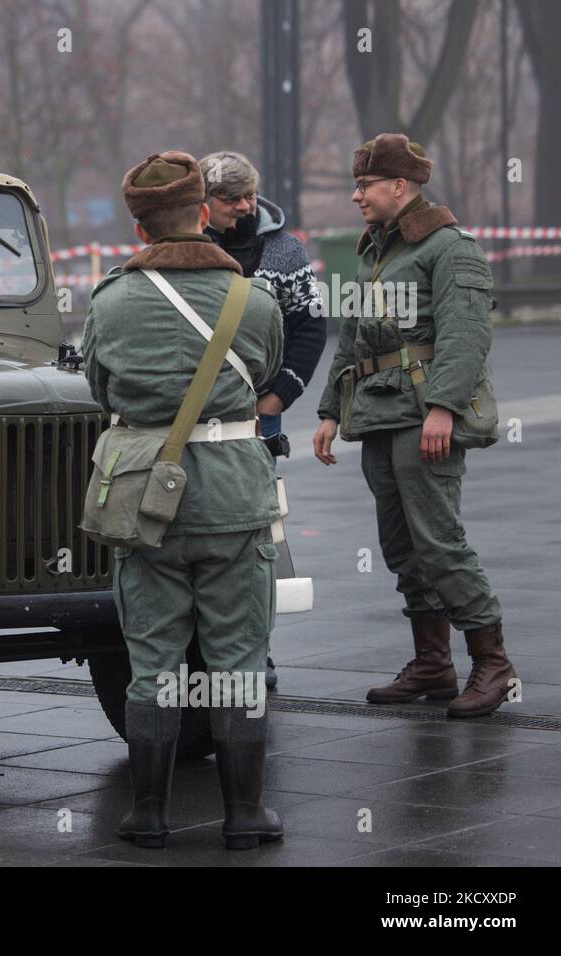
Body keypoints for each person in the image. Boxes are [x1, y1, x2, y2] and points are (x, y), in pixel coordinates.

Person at [82, 151, 285, 849]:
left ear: (139, 230)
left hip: (145, 503)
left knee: (152, 666)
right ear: (204, 214)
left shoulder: (110, 303)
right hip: (233, 497)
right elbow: (261, 373)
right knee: (239, 662)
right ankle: (243, 816)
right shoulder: (252, 300)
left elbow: (102, 392)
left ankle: (148, 814)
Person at [312, 133, 515, 718]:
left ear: (399, 186)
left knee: (438, 541)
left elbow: (466, 334)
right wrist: (329, 410)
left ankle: (494, 664)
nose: (356, 196)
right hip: (378, 411)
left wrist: (445, 407)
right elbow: (351, 335)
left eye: (364, 185)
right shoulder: (377, 249)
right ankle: (432, 662)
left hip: (425, 413)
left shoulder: (450, 249)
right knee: (402, 546)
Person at [202, 150, 327, 690]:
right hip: (195, 419)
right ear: (203, 204)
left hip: (260, 419)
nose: (246, 206)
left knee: (256, 540)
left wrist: (276, 400)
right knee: (196, 534)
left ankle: (256, 653)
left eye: (250, 195)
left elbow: (311, 328)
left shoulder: (285, 249)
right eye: (233, 199)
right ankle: (198, 656)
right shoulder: (183, 249)